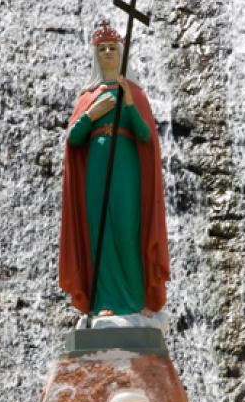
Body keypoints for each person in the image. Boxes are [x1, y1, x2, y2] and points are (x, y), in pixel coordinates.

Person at [59, 20, 169, 317]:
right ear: (95, 55)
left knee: (125, 229)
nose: (107, 53)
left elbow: (146, 137)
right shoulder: (87, 97)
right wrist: (92, 114)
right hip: (95, 170)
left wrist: (130, 103)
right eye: (102, 49)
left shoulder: (135, 92)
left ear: (121, 53)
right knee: (100, 232)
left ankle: (136, 299)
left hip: (126, 171)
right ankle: (104, 301)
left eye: (112, 48)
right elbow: (73, 139)